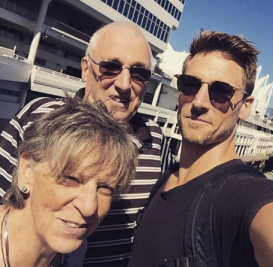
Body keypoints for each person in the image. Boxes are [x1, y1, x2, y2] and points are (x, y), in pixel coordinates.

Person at [0, 21, 169, 266]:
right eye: (111, 67)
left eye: (138, 73)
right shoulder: (40, 115)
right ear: (86, 69)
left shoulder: (154, 140)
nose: (124, 84)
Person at [128, 30, 273, 267]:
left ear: (245, 106)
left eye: (221, 91)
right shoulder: (168, 176)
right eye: (190, 85)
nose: (199, 102)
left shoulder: (241, 194)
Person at [0, 96, 137, 267]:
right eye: (70, 179)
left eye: (105, 187)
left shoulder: (75, 251)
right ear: (28, 171)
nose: (89, 208)